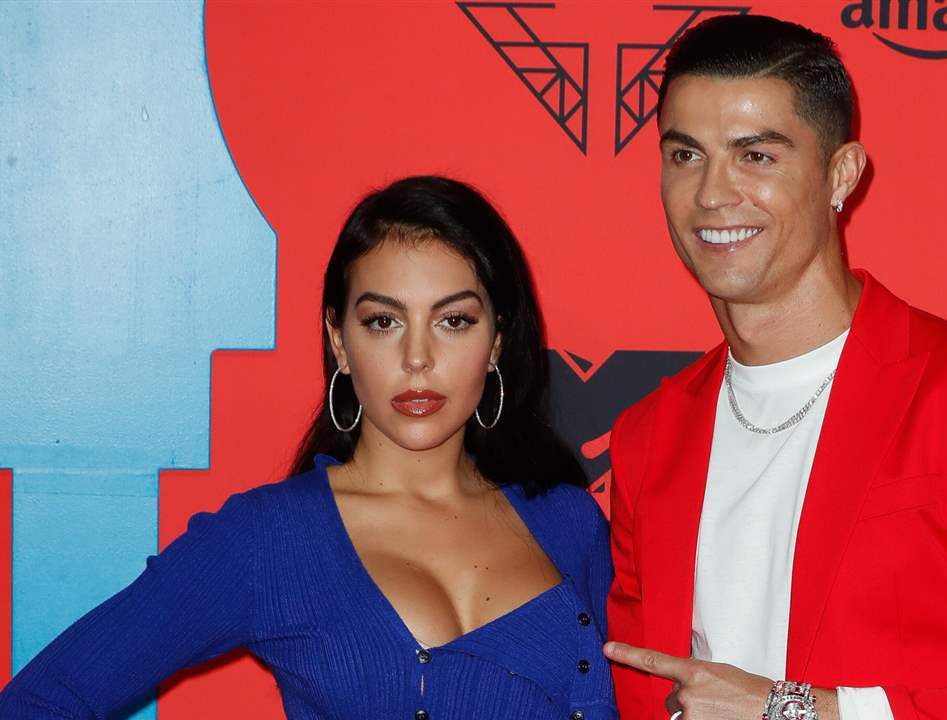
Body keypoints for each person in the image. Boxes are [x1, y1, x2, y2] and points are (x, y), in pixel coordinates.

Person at [603, 15, 947, 720]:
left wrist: (793, 710)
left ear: (840, 174)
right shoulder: (648, 437)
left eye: (757, 156)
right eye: (686, 154)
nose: (713, 193)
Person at [0, 176, 617, 720]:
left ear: (496, 341)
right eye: (384, 321)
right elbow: (43, 701)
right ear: (340, 341)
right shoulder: (271, 539)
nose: (418, 358)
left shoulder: (570, 523)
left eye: (453, 320)